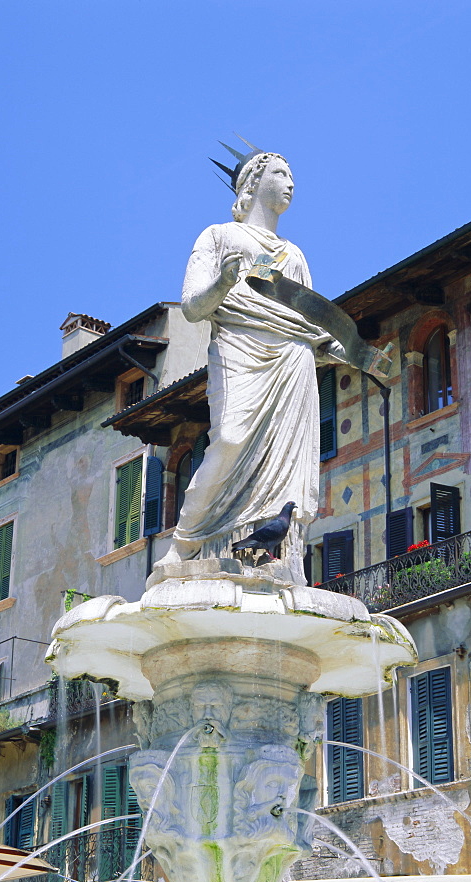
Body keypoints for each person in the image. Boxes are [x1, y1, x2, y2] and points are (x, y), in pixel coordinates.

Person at [156, 150, 361, 582]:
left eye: (292, 175)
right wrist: (224, 280)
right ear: (251, 183)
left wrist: (330, 348)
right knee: (229, 438)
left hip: (293, 359)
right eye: (281, 172)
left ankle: (280, 559)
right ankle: (184, 544)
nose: (290, 182)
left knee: (287, 462)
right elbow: (194, 308)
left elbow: (304, 322)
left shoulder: (293, 256)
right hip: (239, 345)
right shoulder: (218, 237)